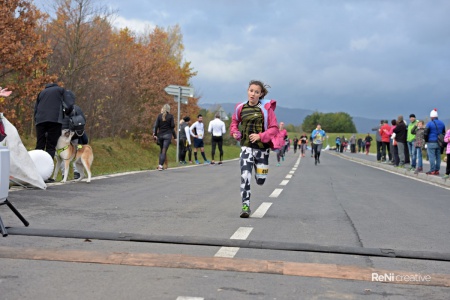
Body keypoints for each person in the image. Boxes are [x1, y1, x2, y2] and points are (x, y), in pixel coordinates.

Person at [230, 80, 278, 218]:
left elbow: (274, 128)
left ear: (261, 94)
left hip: (262, 149)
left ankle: (259, 170)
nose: (253, 94)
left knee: (260, 180)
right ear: (247, 91)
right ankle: (245, 206)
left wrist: (260, 136)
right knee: (245, 176)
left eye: (256, 92)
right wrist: (234, 132)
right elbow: (234, 122)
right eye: (251, 91)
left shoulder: (266, 109)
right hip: (246, 147)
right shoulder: (240, 108)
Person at [35, 83, 74, 161]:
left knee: (40, 145)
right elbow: (69, 104)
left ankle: (37, 166)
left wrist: (37, 120)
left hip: (40, 121)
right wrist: (67, 112)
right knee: (51, 145)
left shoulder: (41, 93)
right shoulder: (61, 90)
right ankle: (47, 168)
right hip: (55, 120)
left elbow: (36, 108)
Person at [60, 98, 88, 179]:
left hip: (63, 135)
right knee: (76, 151)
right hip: (74, 134)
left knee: (62, 153)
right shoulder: (76, 108)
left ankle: (63, 174)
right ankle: (77, 172)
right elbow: (83, 120)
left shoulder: (59, 109)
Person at [153, 104, 176, 171]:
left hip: (160, 135)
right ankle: (160, 165)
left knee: (161, 150)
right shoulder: (171, 116)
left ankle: (160, 165)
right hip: (167, 135)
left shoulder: (159, 116)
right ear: (169, 109)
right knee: (164, 151)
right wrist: (175, 137)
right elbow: (172, 126)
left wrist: (155, 135)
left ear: (163, 108)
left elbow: (156, 126)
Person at [425, 109, 446, 175]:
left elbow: (425, 133)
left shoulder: (429, 123)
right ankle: (437, 170)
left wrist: (426, 140)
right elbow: (443, 133)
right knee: (438, 157)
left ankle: (432, 170)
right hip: (439, 143)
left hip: (431, 142)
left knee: (431, 157)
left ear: (432, 117)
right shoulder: (442, 123)